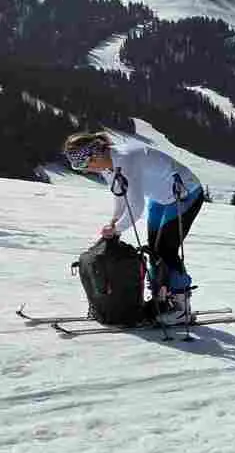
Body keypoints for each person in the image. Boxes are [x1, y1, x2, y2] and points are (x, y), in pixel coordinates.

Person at [63, 132, 205, 325]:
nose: (86, 170)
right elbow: (121, 195)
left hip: (186, 194)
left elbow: (136, 206)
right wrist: (114, 221)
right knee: (154, 249)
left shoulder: (125, 159)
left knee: (165, 249)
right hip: (161, 197)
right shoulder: (107, 166)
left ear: (94, 155)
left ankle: (182, 309)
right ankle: (162, 300)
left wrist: (118, 228)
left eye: (83, 164)